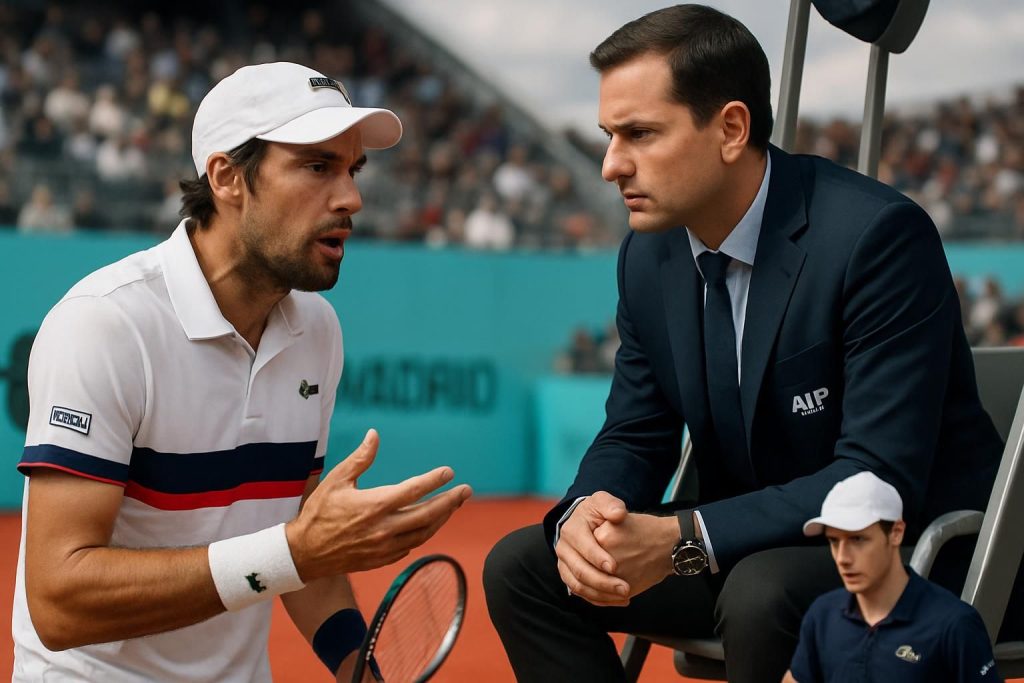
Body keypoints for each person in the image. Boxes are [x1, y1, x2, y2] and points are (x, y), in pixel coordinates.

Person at [483, 5, 1021, 682]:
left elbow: (875, 475)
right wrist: (586, 516)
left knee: (763, 591)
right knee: (525, 566)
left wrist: (685, 538)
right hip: (737, 549)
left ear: (731, 129)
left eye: (639, 134)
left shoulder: (876, 238)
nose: (610, 165)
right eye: (608, 135)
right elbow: (635, 433)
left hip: (910, 550)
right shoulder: (647, 257)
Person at [13, 61, 472, 682]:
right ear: (227, 177)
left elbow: (296, 549)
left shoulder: (318, 331)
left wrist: (356, 668)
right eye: (317, 167)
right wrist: (292, 552)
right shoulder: (104, 325)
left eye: (353, 170)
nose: (351, 199)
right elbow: (58, 601)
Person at [784, 471, 1000, 682]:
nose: (842, 557)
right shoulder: (822, 615)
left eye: (858, 539)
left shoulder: (954, 624)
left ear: (896, 533)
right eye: (834, 541)